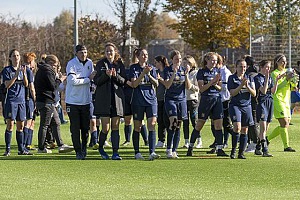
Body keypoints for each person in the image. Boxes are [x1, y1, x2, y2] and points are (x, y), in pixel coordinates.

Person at [186, 52, 227, 157]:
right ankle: (190, 147)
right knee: (199, 124)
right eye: (212, 60)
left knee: (218, 125)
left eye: (216, 60)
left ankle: (220, 149)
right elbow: (202, 89)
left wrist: (215, 83)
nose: (214, 62)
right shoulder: (201, 72)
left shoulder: (217, 71)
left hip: (217, 99)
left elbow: (220, 87)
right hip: (206, 100)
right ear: (207, 60)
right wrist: (212, 82)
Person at [93, 43, 126, 160]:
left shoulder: (119, 64)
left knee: (115, 126)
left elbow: (123, 81)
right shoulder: (100, 64)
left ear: (115, 51)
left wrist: (115, 76)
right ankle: (101, 148)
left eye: (111, 51)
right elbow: (96, 81)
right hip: (104, 100)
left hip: (116, 99)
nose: (109, 53)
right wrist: (106, 76)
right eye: (107, 51)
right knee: (105, 128)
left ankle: (115, 153)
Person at [35, 54, 73, 154]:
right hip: (46, 101)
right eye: (55, 65)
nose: (55, 68)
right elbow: (53, 86)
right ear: (51, 63)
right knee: (44, 125)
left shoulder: (42, 70)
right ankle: (41, 147)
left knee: (56, 122)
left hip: (45, 101)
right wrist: (60, 79)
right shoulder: (47, 70)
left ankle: (60, 145)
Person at [65, 45, 96, 159]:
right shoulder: (71, 64)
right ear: (76, 53)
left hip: (86, 101)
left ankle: (84, 149)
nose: (84, 54)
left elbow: (93, 77)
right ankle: (78, 151)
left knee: (85, 128)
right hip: (73, 101)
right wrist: (88, 79)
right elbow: (73, 81)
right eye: (81, 52)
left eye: (85, 52)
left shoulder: (89, 63)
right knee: (75, 128)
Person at [129, 48, 160, 160]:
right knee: (138, 126)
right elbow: (134, 84)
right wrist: (143, 73)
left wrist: (149, 75)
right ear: (138, 56)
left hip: (151, 100)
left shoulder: (151, 68)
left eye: (146, 54)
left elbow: (156, 83)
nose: (145, 56)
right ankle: (137, 152)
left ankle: (152, 152)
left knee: (152, 124)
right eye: (142, 54)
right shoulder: (133, 68)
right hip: (138, 100)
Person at [2, 49, 32, 156]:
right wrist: (16, 75)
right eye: (14, 56)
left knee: (21, 126)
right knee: (10, 125)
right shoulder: (7, 70)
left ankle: (21, 149)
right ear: (10, 58)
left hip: (21, 101)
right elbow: (7, 85)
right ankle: (8, 149)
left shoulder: (23, 68)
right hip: (11, 101)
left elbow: (26, 84)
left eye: (18, 55)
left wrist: (23, 74)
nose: (16, 57)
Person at [267, 54, 297, 152]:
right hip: (278, 100)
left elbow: (292, 86)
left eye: (285, 61)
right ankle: (286, 146)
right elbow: (277, 88)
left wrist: (294, 81)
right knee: (284, 123)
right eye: (282, 61)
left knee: (286, 124)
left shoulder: (287, 72)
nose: (284, 63)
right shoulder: (274, 74)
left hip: (286, 101)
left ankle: (266, 139)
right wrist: (287, 79)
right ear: (277, 62)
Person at [164, 50, 191, 158]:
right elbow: (167, 85)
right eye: (176, 59)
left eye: (179, 59)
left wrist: (187, 75)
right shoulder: (167, 70)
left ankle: (174, 150)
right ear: (172, 60)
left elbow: (188, 87)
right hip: (171, 100)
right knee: (173, 122)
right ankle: (169, 149)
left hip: (182, 100)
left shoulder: (183, 70)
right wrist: (174, 73)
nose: (178, 61)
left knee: (178, 125)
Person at [227, 59, 256, 159]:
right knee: (237, 127)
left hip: (247, 106)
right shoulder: (232, 78)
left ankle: (241, 152)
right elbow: (232, 93)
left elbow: (254, 94)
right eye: (240, 66)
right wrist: (241, 85)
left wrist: (247, 86)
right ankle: (233, 150)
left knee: (244, 129)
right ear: (236, 67)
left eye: (244, 67)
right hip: (235, 105)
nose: (243, 69)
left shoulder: (249, 78)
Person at [254, 60, 282, 157]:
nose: (268, 69)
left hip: (270, 102)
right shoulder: (257, 78)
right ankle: (265, 150)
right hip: (262, 103)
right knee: (263, 128)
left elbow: (273, 91)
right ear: (261, 67)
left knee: (266, 128)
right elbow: (264, 91)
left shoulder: (269, 77)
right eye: (267, 67)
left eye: (269, 67)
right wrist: (266, 79)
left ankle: (258, 147)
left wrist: (277, 81)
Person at [182, 55, 201, 149]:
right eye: (184, 63)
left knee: (194, 121)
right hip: (183, 99)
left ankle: (198, 139)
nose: (186, 65)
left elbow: (196, 88)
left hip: (193, 99)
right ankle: (186, 141)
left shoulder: (195, 73)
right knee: (185, 121)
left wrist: (187, 79)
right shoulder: (181, 72)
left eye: (188, 63)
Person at [244, 55, 260, 153]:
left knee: (252, 123)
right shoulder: (255, 73)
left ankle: (255, 143)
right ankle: (252, 142)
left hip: (252, 102)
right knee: (251, 123)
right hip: (254, 102)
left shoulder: (250, 75)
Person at [23, 52, 37, 150]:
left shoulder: (22, 69)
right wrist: (35, 99)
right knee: (28, 121)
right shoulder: (28, 71)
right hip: (29, 99)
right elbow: (31, 87)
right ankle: (24, 144)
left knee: (32, 121)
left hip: (24, 99)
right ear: (31, 61)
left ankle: (28, 143)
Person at [154, 55, 169, 148]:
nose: (155, 64)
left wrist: (160, 79)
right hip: (158, 99)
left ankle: (169, 140)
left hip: (167, 99)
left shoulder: (167, 71)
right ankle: (161, 140)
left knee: (167, 120)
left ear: (160, 62)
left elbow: (168, 84)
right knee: (160, 120)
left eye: (156, 62)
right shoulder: (155, 72)